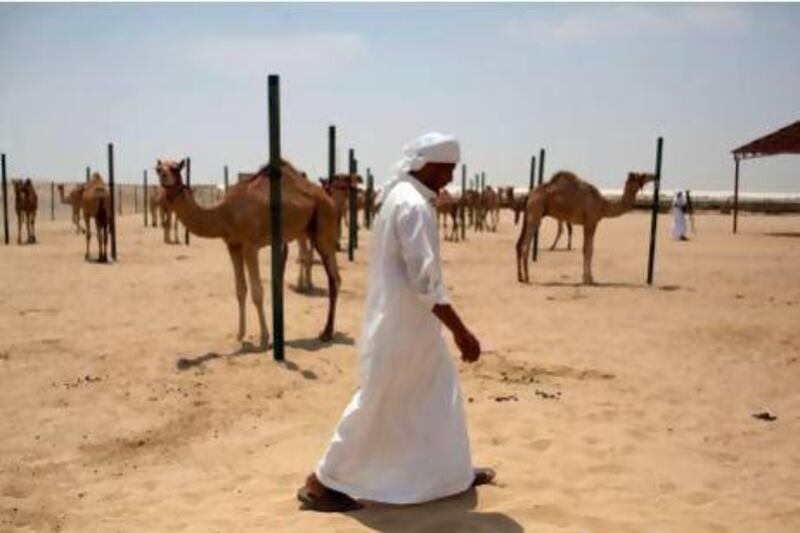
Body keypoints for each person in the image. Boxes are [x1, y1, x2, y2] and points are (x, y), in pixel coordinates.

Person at [297, 132, 494, 513]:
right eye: (448, 170)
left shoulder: (403, 197)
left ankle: (452, 474)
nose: (451, 178)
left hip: (413, 327)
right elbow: (425, 281)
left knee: (438, 395)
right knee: (376, 402)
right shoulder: (413, 206)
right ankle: (319, 483)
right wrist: (461, 331)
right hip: (402, 328)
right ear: (429, 165)